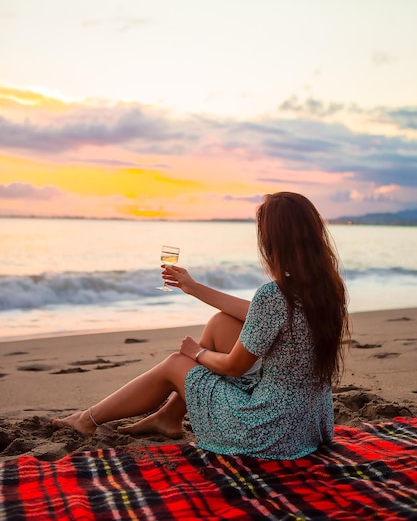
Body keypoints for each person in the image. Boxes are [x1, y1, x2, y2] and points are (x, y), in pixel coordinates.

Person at [52, 191, 349, 459]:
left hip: (268, 430)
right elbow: (259, 314)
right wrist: (192, 287)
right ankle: (169, 416)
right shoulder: (328, 288)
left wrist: (196, 353)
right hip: (309, 424)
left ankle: (87, 420)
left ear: (273, 242)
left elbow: (234, 366)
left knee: (173, 364)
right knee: (222, 324)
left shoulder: (274, 296)